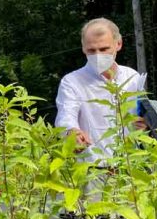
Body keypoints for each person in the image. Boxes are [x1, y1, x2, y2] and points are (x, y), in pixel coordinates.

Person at [55, 17, 145, 163]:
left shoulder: (132, 77)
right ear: (83, 48)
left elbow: (140, 115)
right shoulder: (72, 82)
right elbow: (65, 116)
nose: (98, 55)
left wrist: (143, 125)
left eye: (104, 49)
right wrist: (72, 133)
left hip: (130, 166)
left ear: (118, 44)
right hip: (93, 169)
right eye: (91, 50)